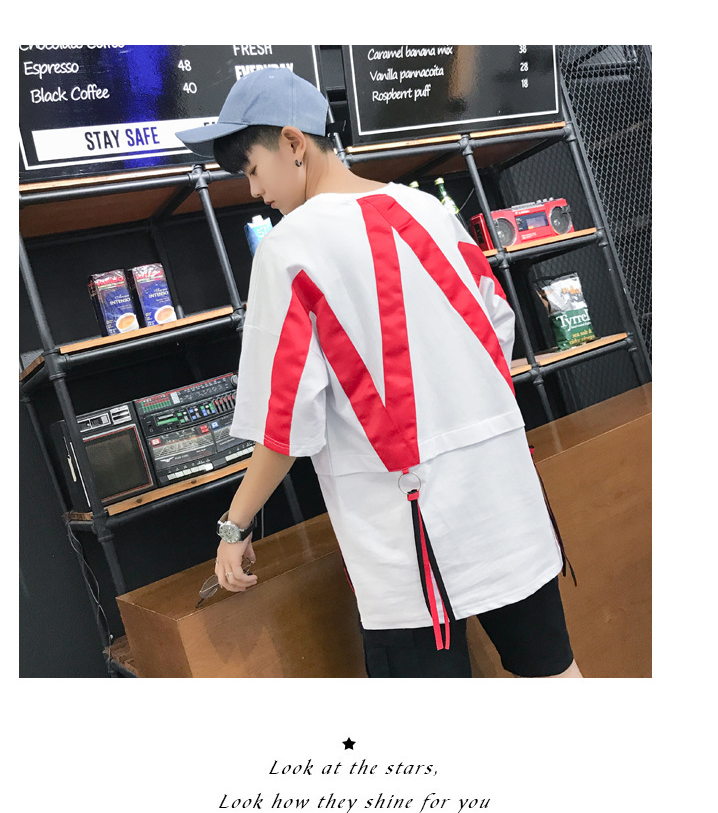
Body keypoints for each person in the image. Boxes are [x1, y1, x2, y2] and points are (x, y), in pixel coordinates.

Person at [209, 70, 580, 678]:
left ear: (293, 142)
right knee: (554, 676)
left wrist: (235, 525)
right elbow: (498, 326)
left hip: (405, 525)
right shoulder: (428, 209)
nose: (254, 191)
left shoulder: (289, 247)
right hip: (502, 491)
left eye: (251, 169)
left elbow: (285, 419)